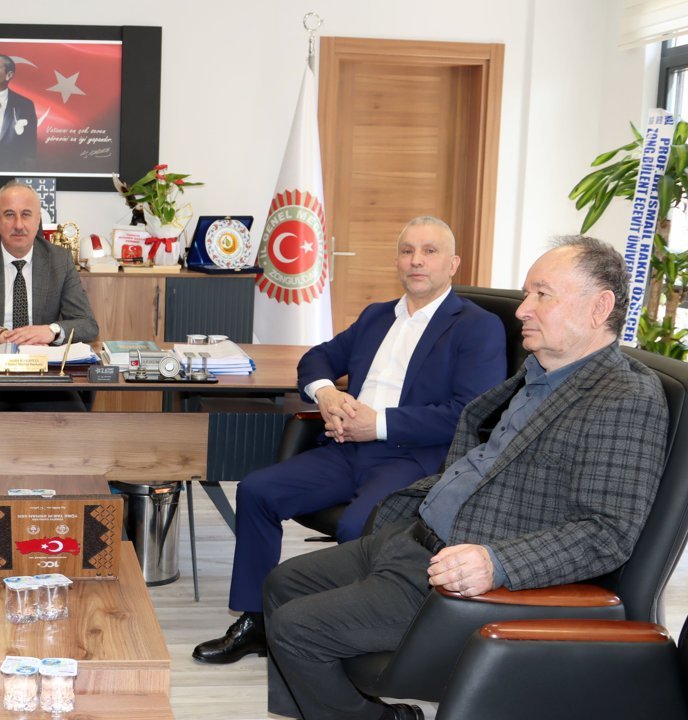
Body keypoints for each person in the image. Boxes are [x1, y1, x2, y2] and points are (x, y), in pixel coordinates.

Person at [262, 236, 670, 720]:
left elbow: (606, 533)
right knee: (283, 583)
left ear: (599, 307)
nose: (523, 310)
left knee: (296, 628)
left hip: (466, 570)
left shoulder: (624, 398)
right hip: (414, 537)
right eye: (527, 293)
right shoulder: (539, 375)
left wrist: (496, 563)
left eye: (542, 294)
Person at [194, 216, 507, 665]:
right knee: (257, 491)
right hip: (345, 448)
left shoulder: (477, 326)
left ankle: (334, 637)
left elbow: (468, 412)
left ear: (453, 263)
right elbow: (317, 358)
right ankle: (257, 622)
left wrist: (377, 425)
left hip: (412, 459)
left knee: (357, 526)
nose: (416, 260)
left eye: (429, 251)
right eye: (407, 251)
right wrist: (326, 393)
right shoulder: (377, 316)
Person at [0, 181, 99, 411]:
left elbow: (88, 324)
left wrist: (51, 331)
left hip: (43, 376)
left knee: (70, 421)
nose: (19, 225)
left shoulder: (59, 260)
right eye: (9, 215)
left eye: (26, 214)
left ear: (38, 220)